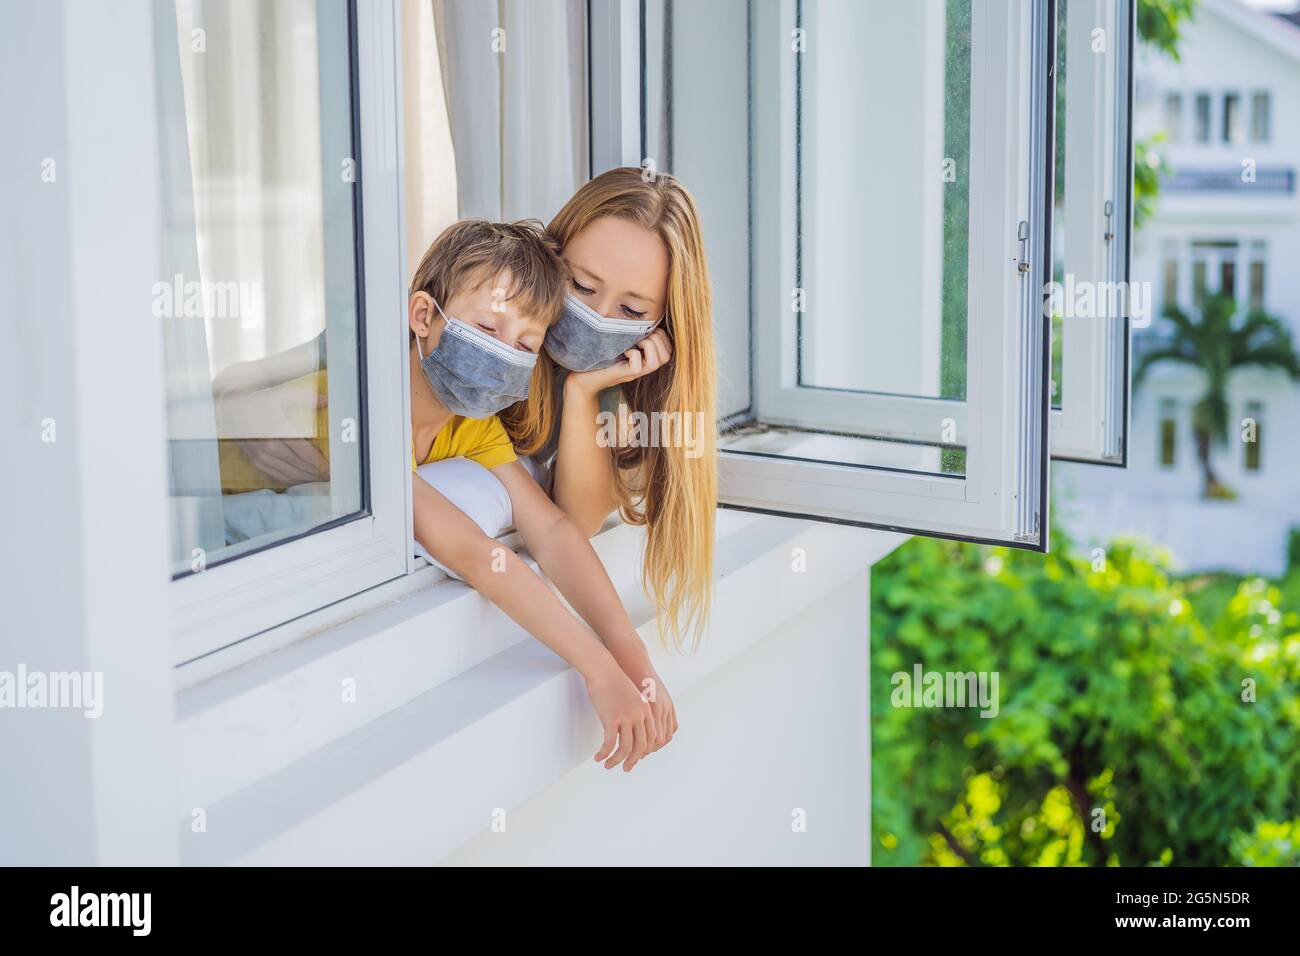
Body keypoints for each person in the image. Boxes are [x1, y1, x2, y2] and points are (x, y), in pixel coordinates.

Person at [405, 219, 677, 772]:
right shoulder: (370, 414)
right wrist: (597, 669)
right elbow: (477, 555)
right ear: (424, 316)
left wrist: (635, 659)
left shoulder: (472, 425)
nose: (504, 353)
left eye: (526, 344)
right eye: (486, 327)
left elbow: (553, 531)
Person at [500, 167, 717, 653]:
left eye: (633, 312)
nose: (598, 316)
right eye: (580, 284)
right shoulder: (489, 318)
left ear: (664, 324)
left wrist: (583, 391)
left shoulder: (623, 395)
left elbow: (575, 523)